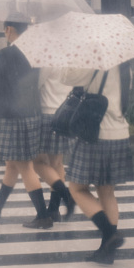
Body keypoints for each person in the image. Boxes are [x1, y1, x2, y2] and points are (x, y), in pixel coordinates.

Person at [58, 61, 134, 264]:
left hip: (96, 134)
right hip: (119, 134)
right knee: (107, 192)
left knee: (77, 189)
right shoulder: (126, 69)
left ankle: (109, 234)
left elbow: (66, 77)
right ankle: (106, 251)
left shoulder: (94, 63)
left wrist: (69, 56)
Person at [0, 21, 50, 229]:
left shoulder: (8, 54)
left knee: (24, 166)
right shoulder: (35, 52)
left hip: (14, 114)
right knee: (12, 163)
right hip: (30, 112)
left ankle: (43, 215)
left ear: (9, 30)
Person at [34, 67, 76, 221]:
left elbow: (36, 85)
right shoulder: (71, 57)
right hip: (65, 113)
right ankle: (53, 209)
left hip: (48, 112)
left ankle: (66, 195)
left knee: (37, 162)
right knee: (57, 163)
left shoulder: (49, 59)